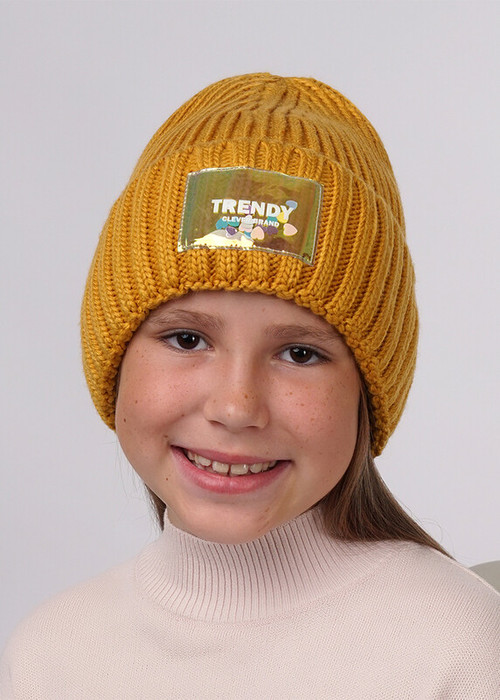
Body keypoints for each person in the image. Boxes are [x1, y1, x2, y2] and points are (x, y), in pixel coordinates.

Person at [1, 73, 498, 699]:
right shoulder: (50, 656)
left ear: (367, 393)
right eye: (187, 339)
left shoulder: (461, 650)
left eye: (299, 353)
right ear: (115, 358)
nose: (235, 406)